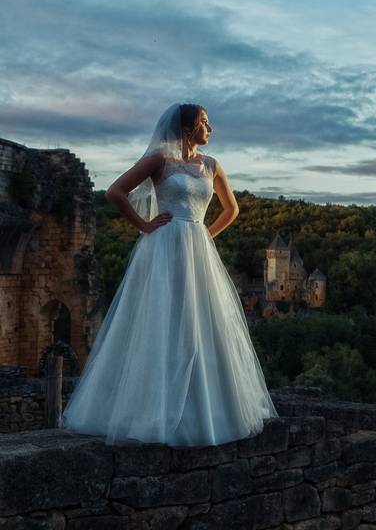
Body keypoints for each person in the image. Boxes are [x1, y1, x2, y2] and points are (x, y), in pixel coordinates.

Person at [60, 102, 278, 446]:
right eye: (205, 122)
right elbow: (116, 192)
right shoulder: (159, 161)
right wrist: (144, 225)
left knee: (202, 323)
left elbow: (231, 209)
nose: (211, 128)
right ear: (189, 127)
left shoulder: (212, 165)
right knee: (163, 321)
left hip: (197, 247)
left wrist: (206, 234)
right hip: (164, 247)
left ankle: (203, 412)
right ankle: (153, 412)